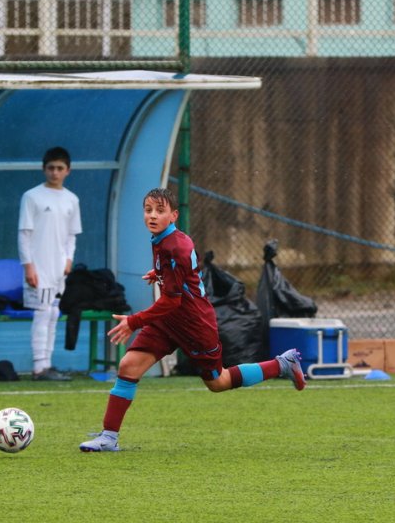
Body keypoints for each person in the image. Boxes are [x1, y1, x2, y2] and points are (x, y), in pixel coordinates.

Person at [79, 188, 306, 452]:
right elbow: (181, 276)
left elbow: (173, 299)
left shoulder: (175, 245)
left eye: (160, 211)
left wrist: (134, 321)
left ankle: (282, 364)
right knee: (129, 366)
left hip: (194, 324)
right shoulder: (163, 239)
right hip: (168, 321)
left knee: (218, 382)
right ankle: (108, 437)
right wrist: (161, 273)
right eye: (148, 209)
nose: (152, 215)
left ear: (174, 215)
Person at [19, 146, 81, 381]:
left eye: (60, 168)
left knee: (54, 313)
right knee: (42, 313)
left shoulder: (71, 199)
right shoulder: (32, 196)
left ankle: (48, 363)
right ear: (44, 169)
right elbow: (24, 234)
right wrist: (28, 266)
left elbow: (71, 235)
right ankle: (38, 367)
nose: (55, 172)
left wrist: (68, 259)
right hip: (39, 265)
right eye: (51, 168)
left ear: (68, 171)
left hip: (58, 268)